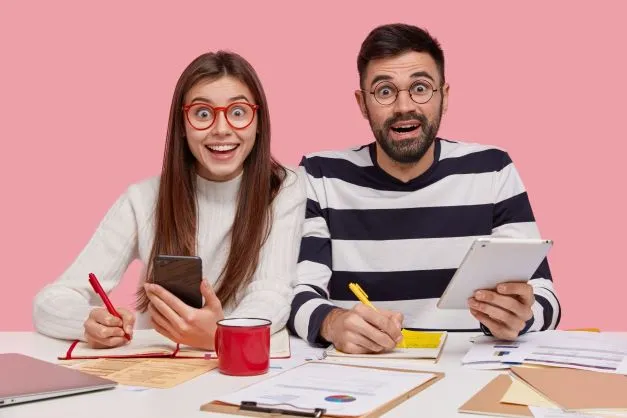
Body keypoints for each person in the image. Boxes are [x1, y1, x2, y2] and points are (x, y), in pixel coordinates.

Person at [288, 23, 560, 354]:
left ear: (444, 97)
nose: (404, 107)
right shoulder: (320, 175)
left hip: (469, 370)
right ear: (362, 104)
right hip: (362, 369)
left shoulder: (493, 170)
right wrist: (332, 322)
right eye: (385, 91)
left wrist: (523, 316)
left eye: (420, 88)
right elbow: (295, 291)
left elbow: (546, 295)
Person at [33, 51, 306, 350]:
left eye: (238, 112)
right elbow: (50, 301)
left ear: (258, 121)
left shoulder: (284, 189)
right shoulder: (144, 197)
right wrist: (88, 321)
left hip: (242, 366)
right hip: (163, 371)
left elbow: (272, 293)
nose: (222, 129)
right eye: (202, 113)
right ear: (182, 125)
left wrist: (221, 336)